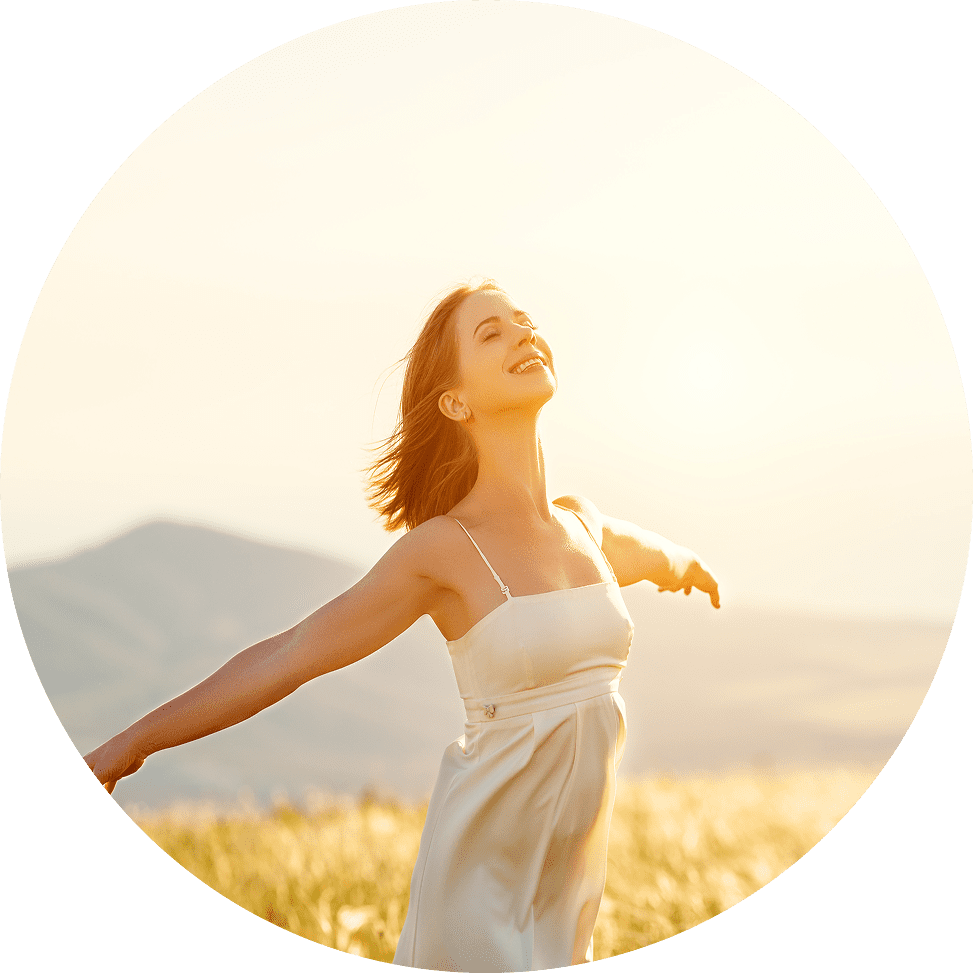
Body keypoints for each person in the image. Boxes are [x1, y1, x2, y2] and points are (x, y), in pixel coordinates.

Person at [84, 279, 720, 971]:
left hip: (567, 882)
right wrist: (131, 744)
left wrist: (691, 568)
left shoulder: (582, 524)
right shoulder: (443, 550)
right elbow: (288, 654)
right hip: (479, 880)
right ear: (456, 402)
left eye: (524, 322)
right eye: (491, 333)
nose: (521, 334)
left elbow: (652, 556)